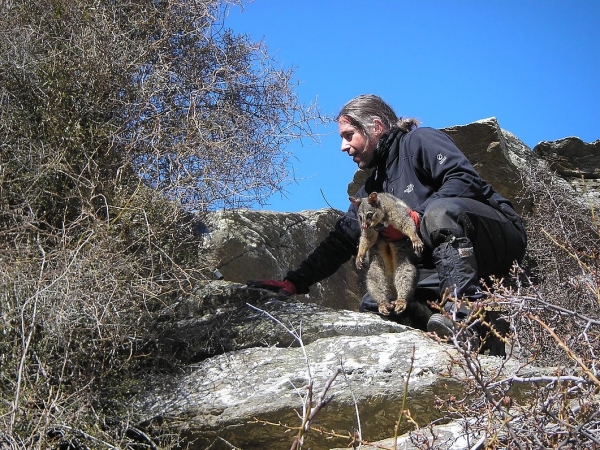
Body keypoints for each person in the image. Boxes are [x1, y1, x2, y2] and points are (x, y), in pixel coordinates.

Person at [248, 94, 527, 340]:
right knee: (376, 303)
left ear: (376, 127)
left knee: (439, 213)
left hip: (495, 238)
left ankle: (464, 318)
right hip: (438, 263)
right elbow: (341, 241)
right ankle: (442, 334)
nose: (343, 147)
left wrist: (415, 219)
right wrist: (295, 282)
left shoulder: (420, 141)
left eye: (348, 135)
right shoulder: (371, 190)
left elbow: (464, 179)